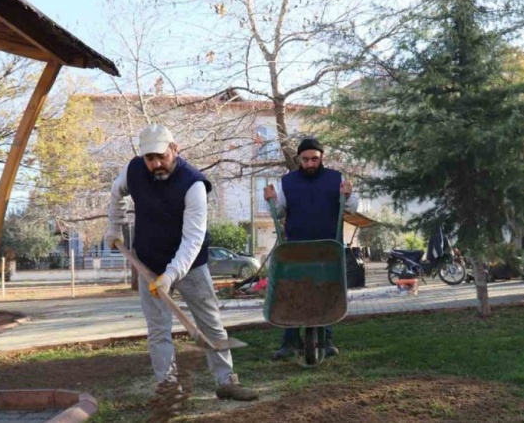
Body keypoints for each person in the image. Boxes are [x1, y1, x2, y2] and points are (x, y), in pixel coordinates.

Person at [104, 124, 258, 403]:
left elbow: (193, 240)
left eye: (161, 156)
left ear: (175, 149)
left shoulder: (193, 184)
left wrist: (171, 274)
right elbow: (116, 193)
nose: (156, 164)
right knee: (158, 329)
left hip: (191, 266)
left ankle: (226, 381)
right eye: (150, 159)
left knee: (210, 325)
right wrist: (114, 228)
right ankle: (168, 387)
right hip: (148, 262)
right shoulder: (134, 170)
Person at [263, 138, 359, 361]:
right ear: (299, 159)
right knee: (293, 292)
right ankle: (289, 341)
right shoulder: (287, 182)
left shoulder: (336, 179)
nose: (310, 164)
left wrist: (349, 193)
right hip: (296, 249)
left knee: (326, 291)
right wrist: (271, 200)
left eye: (314, 159)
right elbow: (278, 213)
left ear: (321, 158)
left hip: (328, 248)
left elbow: (352, 209)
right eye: (305, 160)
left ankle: (326, 340)